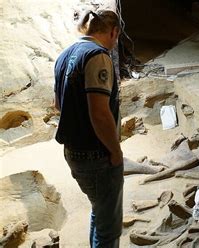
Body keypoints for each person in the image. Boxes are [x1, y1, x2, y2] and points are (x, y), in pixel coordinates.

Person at [54, 10, 123, 247]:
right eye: (117, 38)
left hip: (73, 152)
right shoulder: (98, 56)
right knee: (109, 230)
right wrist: (116, 151)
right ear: (113, 32)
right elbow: (100, 114)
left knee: (99, 211)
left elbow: (57, 105)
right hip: (96, 155)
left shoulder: (64, 55)